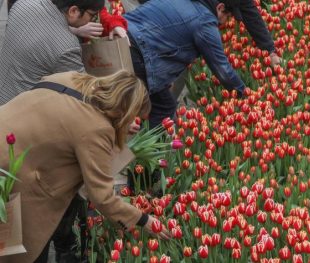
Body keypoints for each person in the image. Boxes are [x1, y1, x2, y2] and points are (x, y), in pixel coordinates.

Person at [0, 70, 166, 263]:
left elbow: (66, 122)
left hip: (10, 145)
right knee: (20, 252)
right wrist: (143, 220)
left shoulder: (70, 78)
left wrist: (118, 123)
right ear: (125, 112)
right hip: (17, 179)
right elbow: (101, 197)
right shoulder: (96, 129)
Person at [123, 0, 247, 127]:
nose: (225, 21)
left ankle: (139, 138)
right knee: (163, 107)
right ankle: (149, 146)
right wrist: (244, 94)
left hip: (120, 33)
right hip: (138, 48)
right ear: (220, 7)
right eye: (227, 16)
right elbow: (222, 68)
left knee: (131, 98)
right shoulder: (205, 22)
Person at [0, 0, 127, 105]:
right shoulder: (67, 47)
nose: (92, 20)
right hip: (16, 111)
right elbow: (86, 92)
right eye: (92, 15)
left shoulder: (24, 4)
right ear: (73, 11)